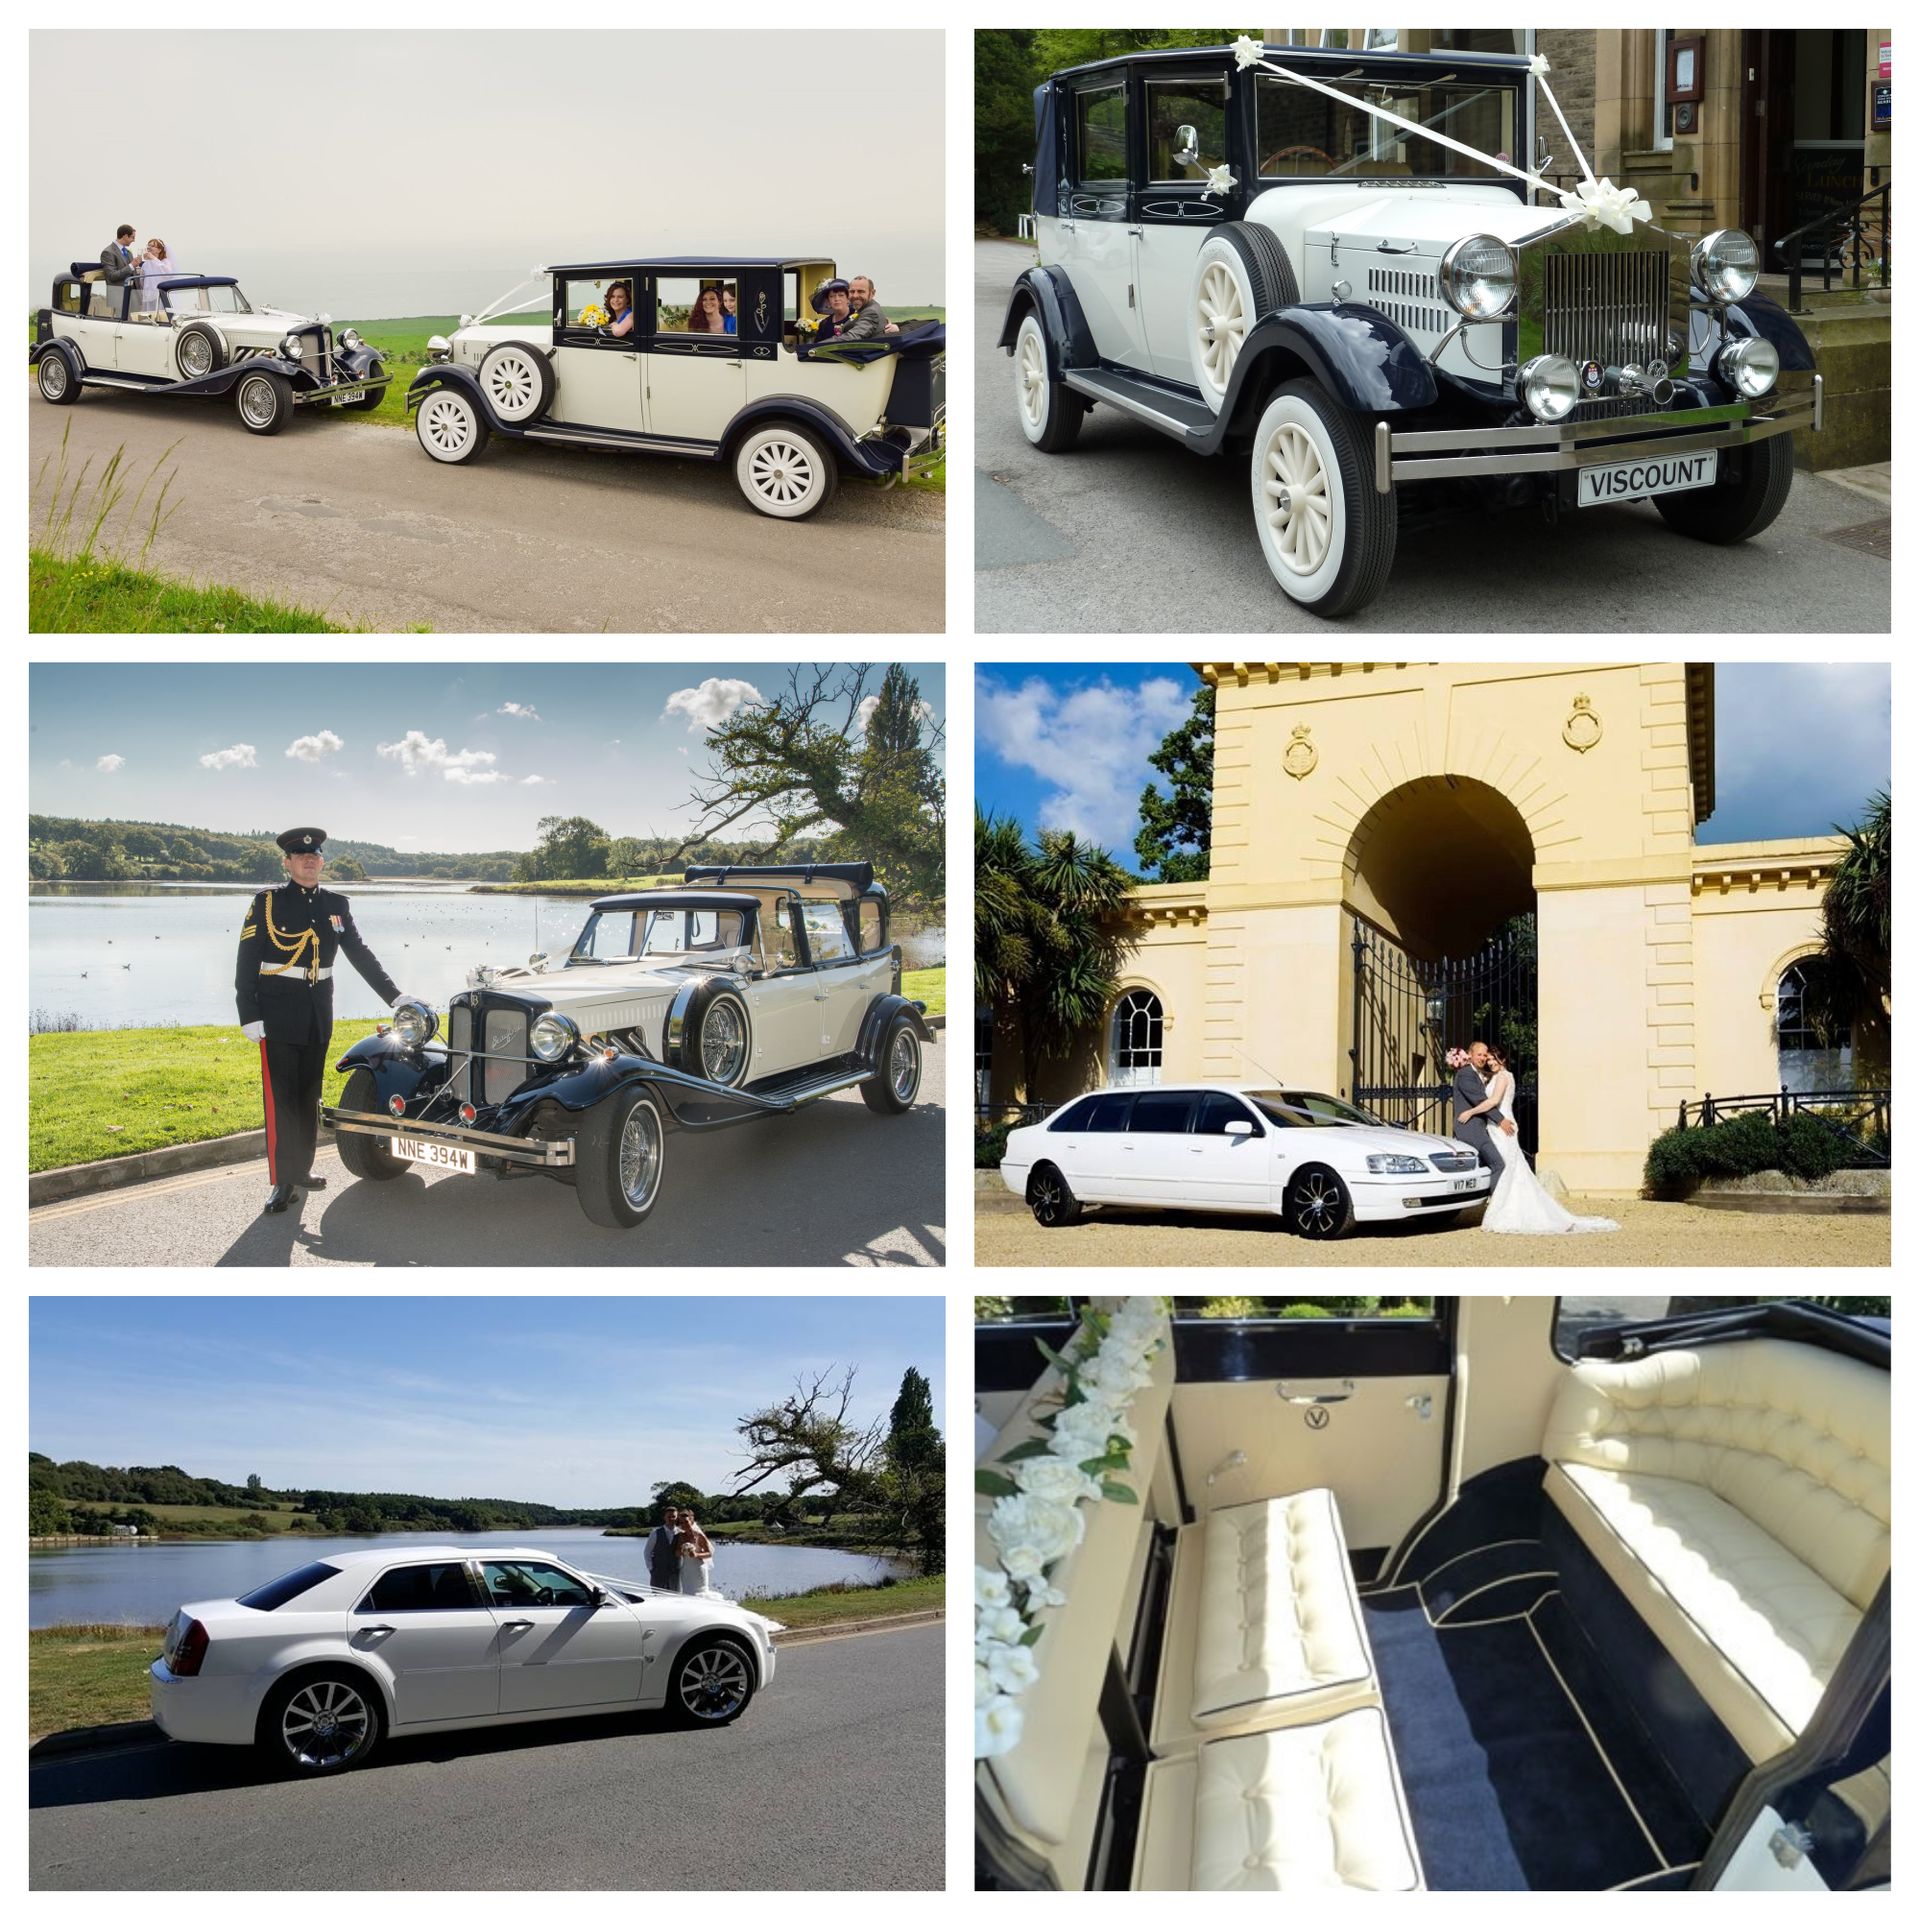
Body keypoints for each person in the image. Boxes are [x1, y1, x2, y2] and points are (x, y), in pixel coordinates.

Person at [235, 828, 413, 1215]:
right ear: (287, 862)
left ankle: (302, 1169)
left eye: (314, 855)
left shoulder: (336, 905)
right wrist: (248, 1013)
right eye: (300, 856)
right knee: (282, 1098)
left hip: (318, 1009)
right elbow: (247, 959)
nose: (308, 861)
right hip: (277, 1010)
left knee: (307, 1094)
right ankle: (283, 1181)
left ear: (322, 861)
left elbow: (360, 955)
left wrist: (395, 996)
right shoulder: (267, 903)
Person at [1473, 1043, 1619, 1235]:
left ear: (1504, 1060)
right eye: (1489, 1059)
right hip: (1499, 1125)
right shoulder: (1498, 1076)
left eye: (1494, 1058)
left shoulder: (1502, 1077)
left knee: (1507, 1166)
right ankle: (1508, 1206)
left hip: (1502, 1126)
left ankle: (1506, 1210)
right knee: (1512, 1168)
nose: (1491, 1062)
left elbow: (1493, 1101)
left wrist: (1471, 1112)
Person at [842, 274, 900, 340]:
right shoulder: (861, 307)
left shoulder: (871, 312)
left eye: (861, 291)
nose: (855, 295)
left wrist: (827, 344)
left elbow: (853, 336)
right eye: (852, 291)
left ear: (872, 293)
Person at [676, 1510, 715, 1595]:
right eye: (681, 1522)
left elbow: (709, 1553)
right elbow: (676, 1553)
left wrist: (697, 1554)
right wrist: (683, 1551)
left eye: (686, 1522)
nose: (684, 1525)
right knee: (687, 1592)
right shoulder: (680, 1536)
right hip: (686, 1570)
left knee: (700, 1593)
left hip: (698, 1569)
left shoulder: (699, 1536)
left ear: (691, 1521)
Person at [646, 1505, 683, 1588]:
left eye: (673, 1516)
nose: (671, 1519)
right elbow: (647, 1552)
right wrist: (651, 1569)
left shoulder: (681, 1533)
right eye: (669, 1516)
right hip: (658, 1573)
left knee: (675, 1599)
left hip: (675, 1574)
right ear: (664, 1517)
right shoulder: (655, 1532)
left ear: (677, 1518)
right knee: (657, 1598)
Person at [136, 238, 173, 312]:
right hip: (148, 296)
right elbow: (142, 280)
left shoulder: (165, 262)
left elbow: (168, 273)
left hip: (160, 296)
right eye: (148, 245)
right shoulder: (145, 264)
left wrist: (153, 258)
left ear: (159, 250)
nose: (149, 247)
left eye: (152, 246)